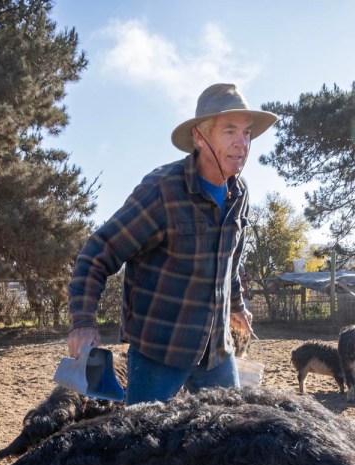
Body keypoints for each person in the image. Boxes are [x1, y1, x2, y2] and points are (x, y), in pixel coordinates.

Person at [66, 83, 277, 404]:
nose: (242, 143)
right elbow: (98, 253)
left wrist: (236, 305)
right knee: (144, 443)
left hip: (216, 351)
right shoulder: (162, 191)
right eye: (229, 131)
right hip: (160, 352)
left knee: (229, 439)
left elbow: (230, 263)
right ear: (199, 137)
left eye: (247, 133)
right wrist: (82, 322)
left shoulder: (240, 193)